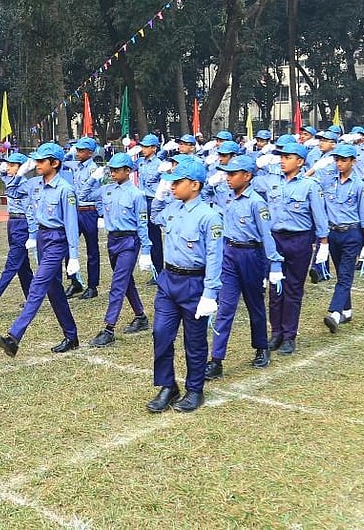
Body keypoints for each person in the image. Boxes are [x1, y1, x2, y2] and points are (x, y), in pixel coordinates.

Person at [146, 158, 223, 413]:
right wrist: (158, 195)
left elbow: (214, 257)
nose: (172, 187)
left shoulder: (209, 216)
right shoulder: (172, 208)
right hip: (169, 281)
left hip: (194, 282)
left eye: (177, 183)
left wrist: (210, 293)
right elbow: (155, 216)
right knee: (161, 333)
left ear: (195, 185)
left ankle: (194, 388)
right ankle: (168, 385)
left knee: (195, 340)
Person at [0, 142, 81, 357]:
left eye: (42, 161)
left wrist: (74, 255)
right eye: (36, 160)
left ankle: (14, 336)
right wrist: (20, 172)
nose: (37, 164)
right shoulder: (34, 184)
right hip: (42, 237)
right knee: (54, 290)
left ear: (55, 163)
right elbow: (11, 190)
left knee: (38, 285)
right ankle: (71, 336)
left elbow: (71, 224)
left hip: (56, 239)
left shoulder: (65, 190)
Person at [206, 155, 282, 380]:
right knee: (225, 307)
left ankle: (261, 347)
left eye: (232, 174)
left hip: (251, 255)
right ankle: (216, 359)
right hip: (229, 254)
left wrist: (274, 264)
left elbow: (267, 235)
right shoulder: (226, 196)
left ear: (247, 176)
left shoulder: (256, 202)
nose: (228, 178)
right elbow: (205, 195)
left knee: (254, 304)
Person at [253, 142, 327, 356]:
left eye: (288, 157)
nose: (282, 160)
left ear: (300, 162)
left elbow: (319, 216)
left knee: (293, 289)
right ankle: (275, 332)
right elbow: (249, 179)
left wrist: (323, 243)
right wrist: (258, 164)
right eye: (281, 157)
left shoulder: (309, 185)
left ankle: (289, 335)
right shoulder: (272, 180)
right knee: (276, 287)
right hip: (275, 239)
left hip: (299, 240)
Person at [90, 153, 153, 348]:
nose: (113, 173)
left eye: (117, 170)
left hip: (129, 241)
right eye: (111, 169)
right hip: (113, 240)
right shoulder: (107, 189)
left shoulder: (136, 194)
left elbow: (142, 224)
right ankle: (141, 316)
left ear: (128, 171)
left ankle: (109, 328)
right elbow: (84, 195)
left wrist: (146, 250)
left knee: (117, 284)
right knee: (126, 282)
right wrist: (93, 180)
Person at [320, 145, 364, 333]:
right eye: (337, 160)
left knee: (346, 272)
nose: (339, 164)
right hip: (333, 233)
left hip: (351, 234)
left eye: (344, 160)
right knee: (341, 272)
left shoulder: (359, 185)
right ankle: (347, 310)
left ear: (353, 162)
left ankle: (335, 312)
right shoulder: (328, 182)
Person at [0, 153, 35, 310]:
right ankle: (32, 299)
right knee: (23, 266)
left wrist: (32, 234)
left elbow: (30, 211)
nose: (8, 167)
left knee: (12, 263)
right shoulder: (12, 179)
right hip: (12, 223)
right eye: (8, 164)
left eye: (13, 165)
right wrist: (3, 170)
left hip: (21, 223)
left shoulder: (24, 184)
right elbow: (3, 176)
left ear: (21, 168)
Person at [65, 137, 103, 299]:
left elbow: (92, 193)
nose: (78, 153)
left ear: (90, 153)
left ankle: (92, 286)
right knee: (69, 245)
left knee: (92, 250)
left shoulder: (94, 169)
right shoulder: (77, 165)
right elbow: (62, 160)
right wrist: (70, 152)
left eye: (81, 151)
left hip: (89, 211)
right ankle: (75, 282)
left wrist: (101, 214)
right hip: (76, 211)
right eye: (77, 150)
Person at [135, 134, 166, 278]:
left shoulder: (159, 163)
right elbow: (126, 166)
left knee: (154, 236)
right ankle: (153, 269)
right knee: (144, 234)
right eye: (142, 146)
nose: (143, 149)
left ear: (154, 148)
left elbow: (165, 184)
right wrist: (130, 154)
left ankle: (159, 270)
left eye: (146, 147)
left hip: (152, 201)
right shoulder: (140, 162)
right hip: (141, 200)